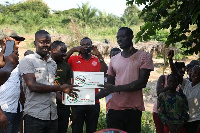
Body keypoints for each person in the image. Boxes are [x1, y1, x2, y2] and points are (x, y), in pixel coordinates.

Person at [96, 27, 154, 133]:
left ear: (131, 37)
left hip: (133, 110)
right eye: (118, 37)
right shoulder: (114, 60)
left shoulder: (144, 56)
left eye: (123, 36)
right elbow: (109, 86)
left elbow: (141, 83)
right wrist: (88, 100)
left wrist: (116, 88)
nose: (119, 40)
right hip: (114, 109)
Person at [19, 30, 78, 133]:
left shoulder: (52, 63)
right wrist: (60, 88)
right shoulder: (28, 60)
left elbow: (51, 89)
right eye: (42, 42)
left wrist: (67, 100)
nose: (45, 45)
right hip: (34, 116)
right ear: (35, 43)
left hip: (52, 116)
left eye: (48, 42)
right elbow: (32, 86)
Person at [65, 37, 107, 133]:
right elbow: (61, 62)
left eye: (88, 44)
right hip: (77, 102)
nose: (85, 47)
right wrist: (72, 50)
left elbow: (105, 72)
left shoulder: (96, 60)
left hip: (93, 101)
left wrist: (99, 56)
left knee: (91, 130)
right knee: (76, 130)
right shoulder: (73, 59)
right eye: (83, 45)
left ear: (91, 46)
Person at [168, 50, 200, 133]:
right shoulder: (186, 84)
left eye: (199, 73)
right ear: (190, 73)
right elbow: (176, 73)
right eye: (195, 72)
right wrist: (170, 60)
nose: (196, 74)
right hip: (184, 121)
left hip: (196, 121)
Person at [0, 28, 25, 133]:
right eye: (16, 42)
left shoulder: (13, 58)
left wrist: (23, 106)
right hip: (3, 111)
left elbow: (18, 83)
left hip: (15, 108)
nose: (18, 45)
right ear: (5, 40)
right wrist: (0, 114)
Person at [153, 61, 185, 133]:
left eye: (183, 73)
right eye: (181, 72)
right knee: (160, 131)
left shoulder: (180, 83)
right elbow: (158, 92)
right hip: (159, 111)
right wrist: (170, 85)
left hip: (171, 115)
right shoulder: (163, 78)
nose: (182, 75)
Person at [50, 41, 73, 133]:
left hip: (63, 107)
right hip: (49, 107)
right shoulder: (44, 64)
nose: (65, 54)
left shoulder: (66, 66)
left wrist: (72, 109)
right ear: (54, 50)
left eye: (65, 51)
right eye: (62, 51)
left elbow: (70, 86)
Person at [105, 48, 121, 122]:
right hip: (110, 105)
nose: (115, 58)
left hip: (125, 105)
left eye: (118, 55)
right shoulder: (106, 70)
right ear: (110, 56)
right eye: (113, 56)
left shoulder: (127, 69)